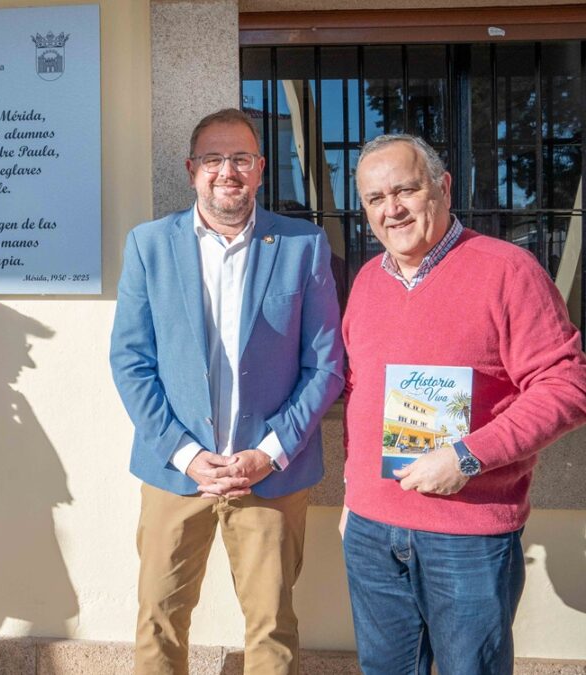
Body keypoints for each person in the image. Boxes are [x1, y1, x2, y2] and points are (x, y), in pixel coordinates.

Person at [110, 108, 344, 675]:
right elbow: (131, 361)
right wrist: (187, 455)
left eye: (240, 158)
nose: (226, 171)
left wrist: (269, 451)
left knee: (271, 627)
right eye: (213, 159)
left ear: (261, 169)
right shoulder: (148, 245)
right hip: (175, 471)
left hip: (269, 474)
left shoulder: (302, 245)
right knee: (159, 621)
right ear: (192, 170)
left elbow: (327, 365)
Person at [341, 134, 586, 674]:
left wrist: (467, 456)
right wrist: (350, 495)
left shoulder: (508, 270)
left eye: (406, 189)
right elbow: (361, 390)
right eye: (375, 199)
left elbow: (567, 385)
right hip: (371, 531)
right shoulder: (365, 283)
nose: (392, 209)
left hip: (468, 536)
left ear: (442, 187)